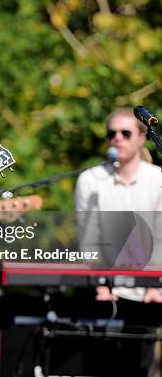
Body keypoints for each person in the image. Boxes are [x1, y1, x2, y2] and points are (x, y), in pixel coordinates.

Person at [75, 107, 162, 303]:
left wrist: (154, 286)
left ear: (141, 137)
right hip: (107, 291)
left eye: (125, 133)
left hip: (153, 291)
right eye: (111, 133)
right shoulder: (90, 180)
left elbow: (160, 237)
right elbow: (88, 240)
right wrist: (101, 285)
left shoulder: (158, 179)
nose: (117, 138)